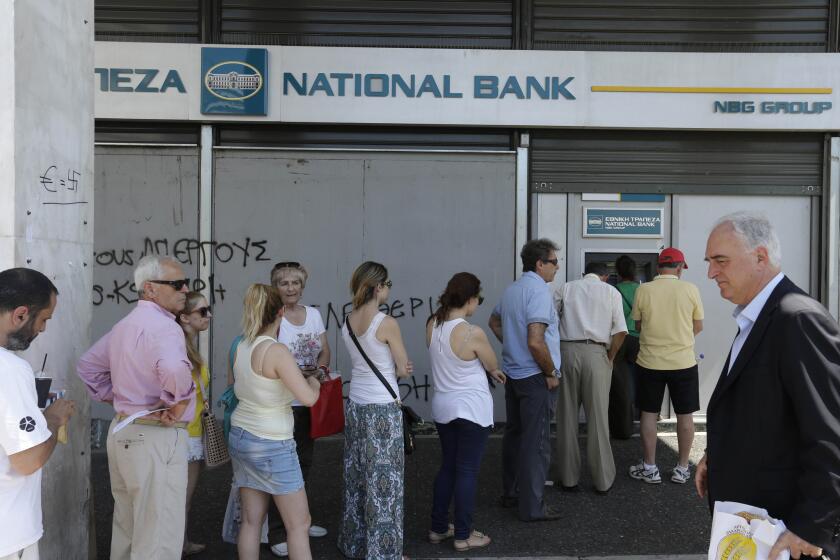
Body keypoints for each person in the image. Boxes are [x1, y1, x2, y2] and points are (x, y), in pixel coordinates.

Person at [697, 211, 840, 559]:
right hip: (751, 527)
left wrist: (811, 526)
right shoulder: (757, 317)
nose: (711, 272)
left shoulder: (798, 318)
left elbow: (830, 434)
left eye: (720, 260)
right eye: (710, 261)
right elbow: (765, 410)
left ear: (760, 257)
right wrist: (716, 454)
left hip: (785, 535)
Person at [77, 255, 196, 559]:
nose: (185, 288)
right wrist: (178, 402)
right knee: (158, 534)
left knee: (128, 528)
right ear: (150, 289)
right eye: (176, 284)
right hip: (154, 435)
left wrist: (119, 398)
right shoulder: (166, 328)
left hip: (124, 431)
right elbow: (172, 367)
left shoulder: (125, 325)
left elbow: (88, 366)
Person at [229, 284, 321, 560]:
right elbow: (307, 398)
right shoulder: (276, 350)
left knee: (251, 521)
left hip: (242, 435)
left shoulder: (241, 345)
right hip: (272, 442)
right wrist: (314, 381)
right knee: (299, 524)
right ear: (280, 311)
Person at [426, 272, 506, 552]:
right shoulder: (472, 332)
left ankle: (438, 528)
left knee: (448, 466)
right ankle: (463, 534)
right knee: (467, 470)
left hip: (443, 405)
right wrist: (494, 370)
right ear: (470, 299)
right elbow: (491, 361)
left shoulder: (433, 324)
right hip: (471, 408)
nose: (477, 305)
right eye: (478, 300)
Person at [338, 262, 413, 560]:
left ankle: (354, 542)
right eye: (388, 283)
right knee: (386, 483)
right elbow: (402, 368)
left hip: (356, 404)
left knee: (356, 476)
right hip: (382, 407)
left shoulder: (347, 319)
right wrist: (402, 368)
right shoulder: (386, 323)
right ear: (378, 286)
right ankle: (384, 552)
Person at [0, 268, 75, 560]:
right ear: (20, 315)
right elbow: (27, 459)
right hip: (8, 534)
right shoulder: (10, 370)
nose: (42, 329)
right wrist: (54, 420)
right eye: (43, 319)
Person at [488, 238, 562, 522]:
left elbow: (493, 321)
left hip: (514, 374)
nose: (557, 267)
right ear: (540, 264)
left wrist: (512, 343)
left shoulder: (512, 290)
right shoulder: (539, 292)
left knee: (515, 435)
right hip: (535, 378)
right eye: (554, 262)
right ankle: (532, 507)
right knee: (537, 442)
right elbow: (536, 341)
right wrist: (550, 372)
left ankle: (512, 493)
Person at [269, 262, 330, 557]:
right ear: (275, 287)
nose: (290, 288)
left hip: (309, 397)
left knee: (304, 462)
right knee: (282, 468)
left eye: (295, 282)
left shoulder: (314, 315)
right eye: (284, 283)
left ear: (302, 286)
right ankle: (277, 531)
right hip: (282, 403)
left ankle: (299, 523)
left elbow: (324, 349)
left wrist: (319, 370)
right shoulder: (272, 318)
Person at [628, 248, 703, 485]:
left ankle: (650, 467)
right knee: (685, 414)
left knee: (649, 413)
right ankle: (682, 468)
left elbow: (638, 325)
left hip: (650, 361)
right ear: (680, 267)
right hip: (683, 361)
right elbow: (698, 326)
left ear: (659, 266)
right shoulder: (690, 289)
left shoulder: (644, 289)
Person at [555, 262, 627, 494]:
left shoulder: (565, 288)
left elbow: (549, 321)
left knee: (567, 417)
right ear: (604, 277)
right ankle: (602, 480)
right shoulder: (611, 292)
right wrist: (610, 357)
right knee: (598, 418)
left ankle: (568, 479)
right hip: (597, 353)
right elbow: (620, 332)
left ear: (584, 273)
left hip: (566, 351)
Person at [176, 292, 213, 557]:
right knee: (182, 499)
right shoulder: (182, 350)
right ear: (185, 317)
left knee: (181, 499)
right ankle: (177, 545)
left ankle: (181, 542)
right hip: (186, 433)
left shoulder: (187, 347)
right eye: (202, 311)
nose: (208, 316)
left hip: (189, 430)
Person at [609, 255, 641, 439]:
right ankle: (643, 419)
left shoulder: (613, 290)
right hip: (640, 340)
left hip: (620, 339)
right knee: (640, 380)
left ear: (618, 272)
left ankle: (622, 426)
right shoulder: (643, 289)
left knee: (621, 385)